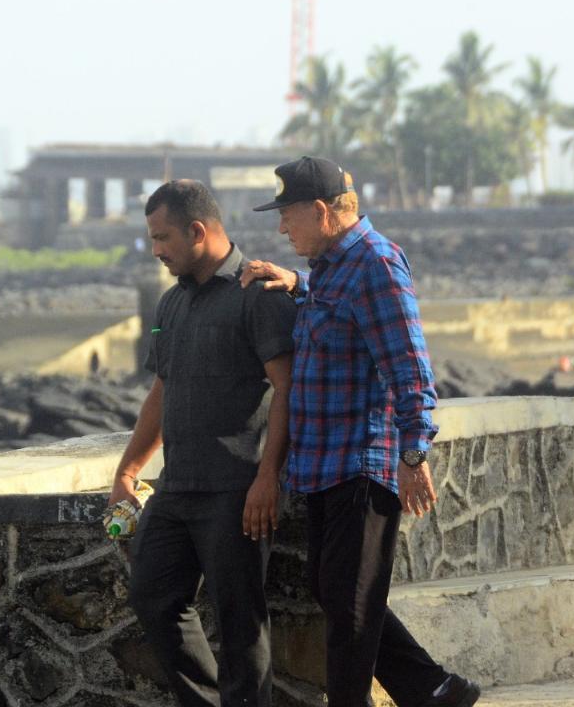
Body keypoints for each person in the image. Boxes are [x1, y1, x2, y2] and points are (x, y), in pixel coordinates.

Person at [240, 156, 480, 707]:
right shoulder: (330, 265)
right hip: (324, 464)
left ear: (323, 212)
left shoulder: (376, 264)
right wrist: (296, 283)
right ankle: (433, 690)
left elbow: (411, 369)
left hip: (361, 463)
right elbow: (339, 315)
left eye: (288, 215)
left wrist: (414, 454)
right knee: (337, 591)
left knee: (350, 605)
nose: (281, 227)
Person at [110, 179, 297, 707]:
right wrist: (127, 473)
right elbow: (161, 392)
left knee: (242, 622)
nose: (156, 250)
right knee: (153, 597)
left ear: (198, 230)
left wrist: (268, 478)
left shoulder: (258, 294)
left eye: (162, 237)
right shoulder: (171, 304)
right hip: (177, 488)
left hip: (236, 489)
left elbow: (286, 388)